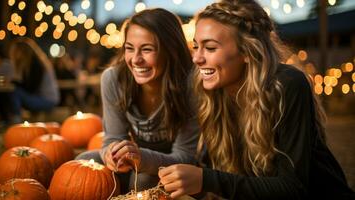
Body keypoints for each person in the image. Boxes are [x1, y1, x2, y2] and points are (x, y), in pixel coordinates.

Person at [158, 0, 355, 199]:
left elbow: (294, 187)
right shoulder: (213, 92)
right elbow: (228, 181)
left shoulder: (287, 84)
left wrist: (207, 180)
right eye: (195, 46)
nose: (197, 58)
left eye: (209, 48)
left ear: (246, 50)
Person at [76, 8, 199, 193]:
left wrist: (142, 159)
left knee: (142, 179)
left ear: (171, 50)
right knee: (83, 162)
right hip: (135, 157)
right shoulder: (113, 79)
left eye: (147, 49)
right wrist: (110, 153)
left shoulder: (191, 84)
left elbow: (185, 157)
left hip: (175, 166)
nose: (135, 59)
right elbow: (113, 139)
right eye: (129, 48)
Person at [9, 37, 60, 123]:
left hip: (47, 101)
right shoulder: (35, 63)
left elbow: (31, 88)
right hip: (47, 99)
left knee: (14, 92)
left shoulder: (36, 64)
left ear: (22, 52)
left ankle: (15, 119)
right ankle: (13, 118)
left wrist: (14, 83)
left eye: (16, 52)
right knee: (14, 92)